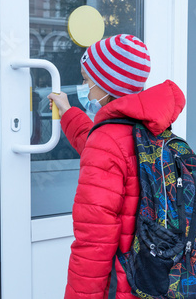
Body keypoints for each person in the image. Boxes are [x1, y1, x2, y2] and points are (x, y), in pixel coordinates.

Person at [48, 34, 186, 299]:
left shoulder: (108, 139)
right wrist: (68, 112)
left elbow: (94, 242)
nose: (84, 87)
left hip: (124, 283)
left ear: (108, 86)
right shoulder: (152, 128)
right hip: (156, 274)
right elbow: (100, 147)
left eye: (87, 80)